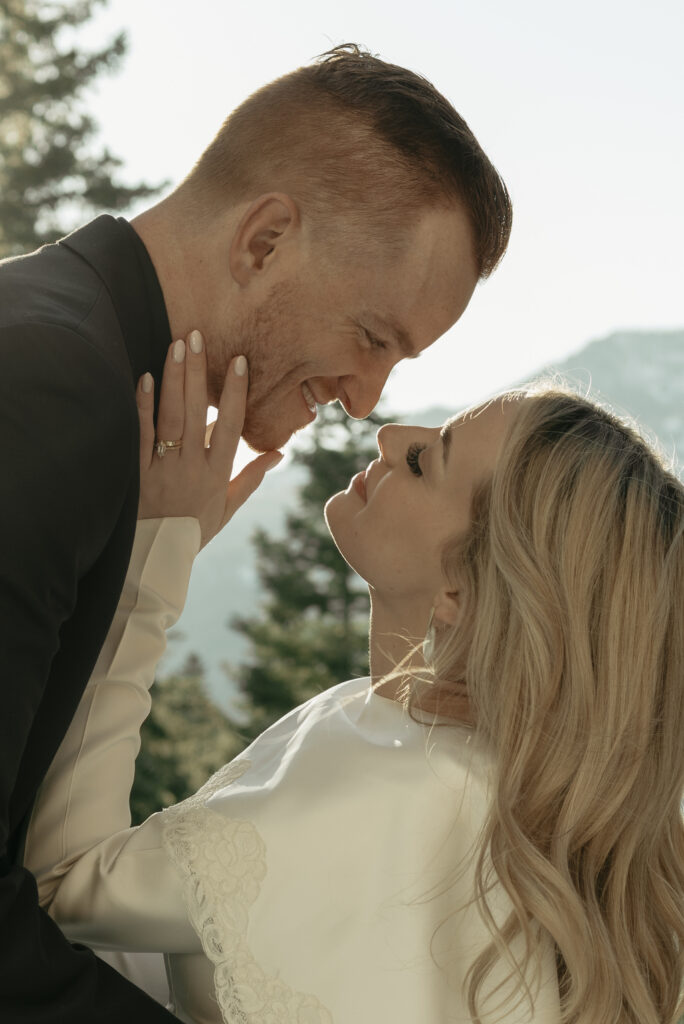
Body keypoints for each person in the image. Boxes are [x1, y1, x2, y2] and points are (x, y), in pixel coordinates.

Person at [0, 44, 512, 1020]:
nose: (367, 401)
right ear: (266, 238)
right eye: (373, 338)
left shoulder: (83, 374)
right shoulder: (55, 393)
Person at [24, 349, 684, 1024]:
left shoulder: (385, 785)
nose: (390, 436)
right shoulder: (525, 815)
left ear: (458, 588)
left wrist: (150, 561)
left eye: (427, 461)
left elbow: (64, 887)